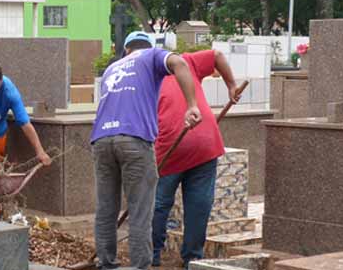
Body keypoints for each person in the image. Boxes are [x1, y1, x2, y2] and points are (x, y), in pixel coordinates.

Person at [90, 31, 201, 269]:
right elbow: (180, 62)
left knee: (106, 209)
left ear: (126, 50)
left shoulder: (111, 68)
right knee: (140, 210)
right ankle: (140, 266)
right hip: (134, 139)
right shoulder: (151, 55)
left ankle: (106, 263)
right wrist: (192, 105)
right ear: (146, 47)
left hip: (101, 140)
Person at [152, 49, 240, 269]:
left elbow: (217, 55)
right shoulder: (185, 62)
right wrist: (230, 84)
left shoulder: (151, 74)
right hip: (197, 144)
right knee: (196, 203)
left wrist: (232, 85)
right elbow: (217, 55)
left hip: (174, 150)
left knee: (158, 205)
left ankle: (151, 255)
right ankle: (192, 259)